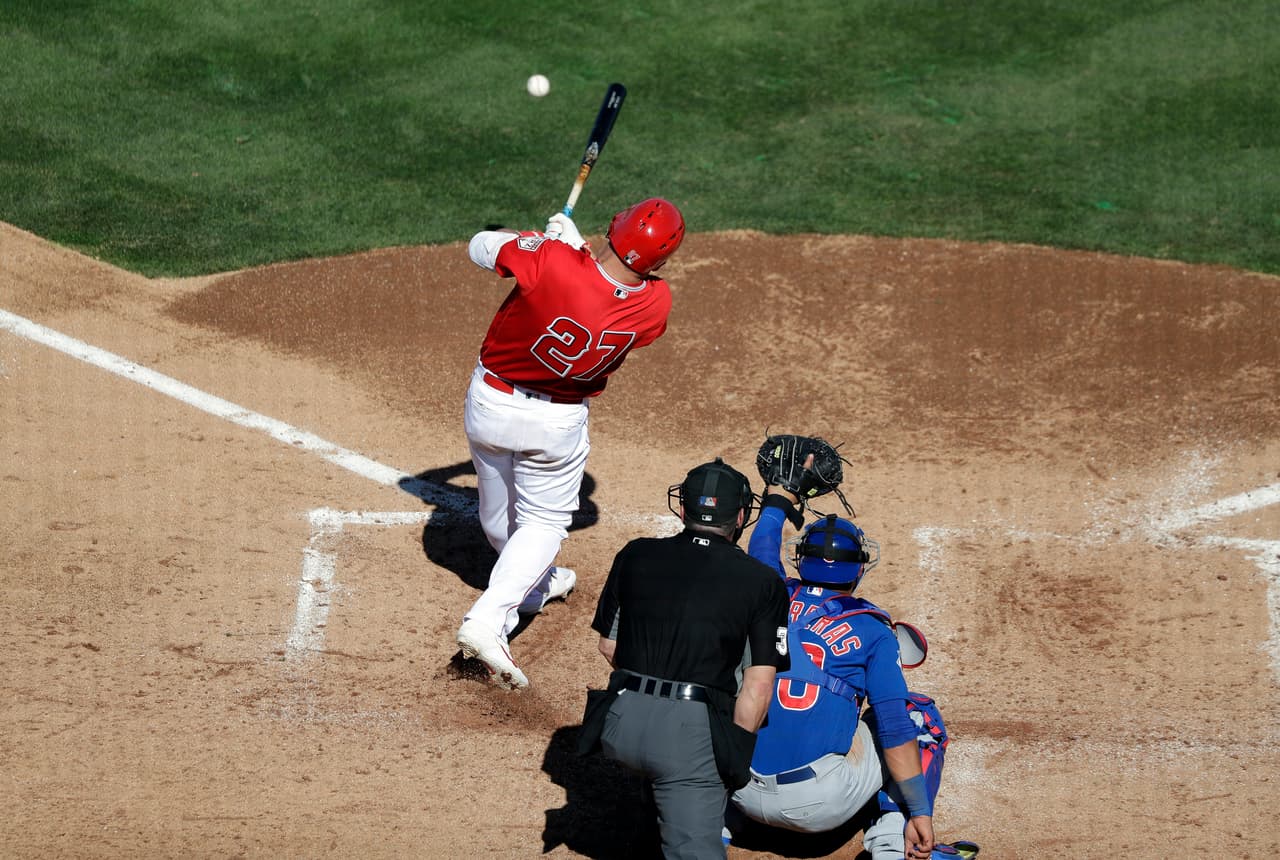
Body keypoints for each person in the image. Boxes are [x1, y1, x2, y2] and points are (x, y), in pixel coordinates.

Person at [455, 199, 685, 690]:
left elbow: (479, 246)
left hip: (491, 405)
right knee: (543, 522)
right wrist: (574, 249)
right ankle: (491, 617)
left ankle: (529, 586)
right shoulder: (656, 305)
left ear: (615, 226)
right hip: (556, 423)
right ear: (662, 261)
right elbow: (607, 291)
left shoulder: (549, 260)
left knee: (500, 515)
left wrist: (542, 243)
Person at [725, 475, 975, 859]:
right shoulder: (872, 629)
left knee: (714, 690)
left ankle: (712, 825)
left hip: (739, 787)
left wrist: (777, 500)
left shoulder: (765, 591)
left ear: (800, 559)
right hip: (818, 806)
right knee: (917, 715)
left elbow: (762, 545)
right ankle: (892, 845)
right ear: (858, 570)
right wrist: (921, 811)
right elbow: (894, 727)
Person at [586, 458, 791, 859]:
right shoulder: (762, 582)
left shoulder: (635, 553)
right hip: (688, 741)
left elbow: (609, 647)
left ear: (682, 508)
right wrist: (731, 758)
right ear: (741, 517)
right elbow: (759, 686)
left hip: (620, 723)